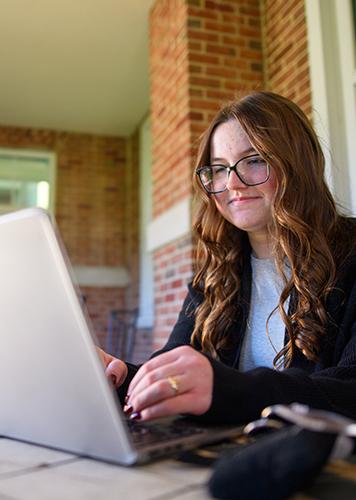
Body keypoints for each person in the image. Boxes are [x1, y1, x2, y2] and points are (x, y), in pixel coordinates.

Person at [99, 91, 356, 425]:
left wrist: (228, 390)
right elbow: (178, 369)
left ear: (299, 163)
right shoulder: (215, 276)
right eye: (218, 169)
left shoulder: (349, 256)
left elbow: (349, 392)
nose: (232, 183)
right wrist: (119, 378)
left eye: (254, 160)